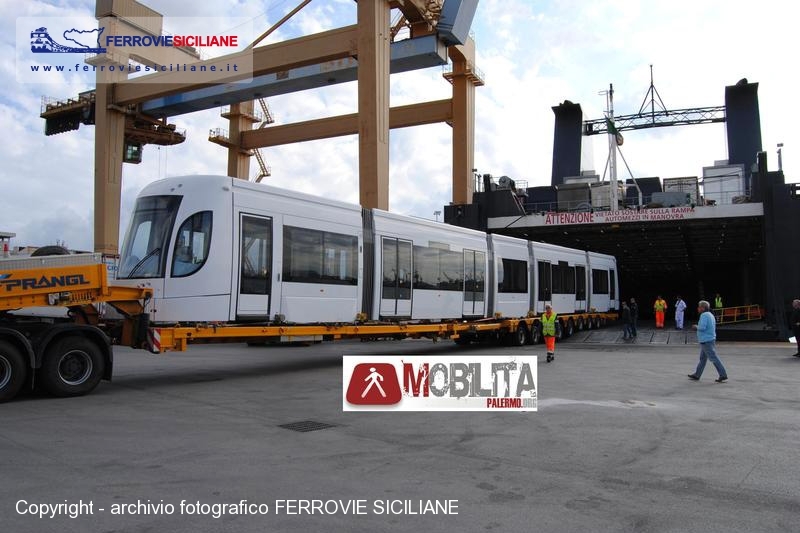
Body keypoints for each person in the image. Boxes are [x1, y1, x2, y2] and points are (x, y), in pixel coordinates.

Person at [688, 300, 728, 382]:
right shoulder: (710, 314)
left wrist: (696, 326)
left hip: (706, 341)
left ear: (703, 308)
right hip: (709, 339)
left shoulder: (704, 315)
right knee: (703, 358)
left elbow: (702, 327)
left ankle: (723, 374)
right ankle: (697, 374)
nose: (698, 308)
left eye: (699, 307)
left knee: (713, 358)